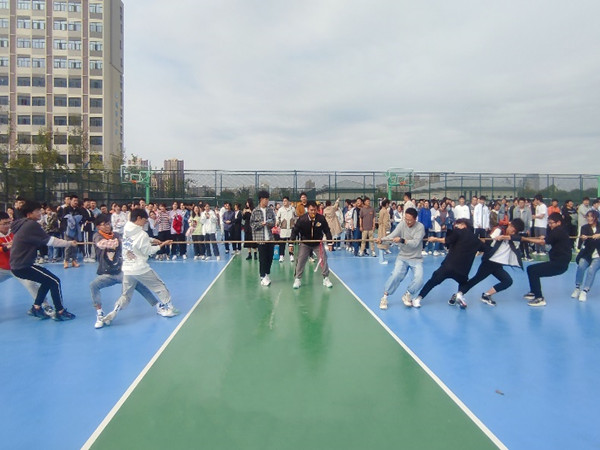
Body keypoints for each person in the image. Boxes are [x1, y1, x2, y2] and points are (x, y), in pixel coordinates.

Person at [102, 208, 178, 325]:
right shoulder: (142, 234)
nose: (145, 222)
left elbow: (136, 240)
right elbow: (148, 251)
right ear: (138, 218)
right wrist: (162, 244)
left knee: (126, 295)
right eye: (144, 219)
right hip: (140, 268)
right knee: (159, 286)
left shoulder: (127, 228)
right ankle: (169, 308)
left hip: (127, 269)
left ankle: (115, 310)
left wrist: (152, 240)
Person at [90, 214, 162, 329]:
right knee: (94, 285)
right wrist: (118, 242)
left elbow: (132, 240)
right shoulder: (97, 236)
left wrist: (152, 240)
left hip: (121, 271)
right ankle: (99, 313)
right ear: (98, 227)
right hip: (107, 274)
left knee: (138, 284)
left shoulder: (116, 235)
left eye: (108, 224)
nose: (108, 226)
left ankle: (158, 305)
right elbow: (102, 244)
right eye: (104, 224)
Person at [10, 201, 77, 320]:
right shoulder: (31, 225)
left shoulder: (22, 224)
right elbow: (50, 241)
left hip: (18, 265)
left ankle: (36, 308)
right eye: (37, 211)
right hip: (23, 265)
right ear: (29, 214)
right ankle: (60, 311)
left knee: (47, 281)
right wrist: (69, 243)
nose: (40, 213)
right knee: (55, 281)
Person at [411, 218, 485, 309]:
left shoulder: (459, 232)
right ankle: (459, 294)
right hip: (463, 271)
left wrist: (435, 239)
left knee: (432, 282)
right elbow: (485, 248)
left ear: (464, 225)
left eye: (458, 224)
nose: (456, 226)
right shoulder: (476, 240)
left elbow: (446, 240)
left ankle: (418, 299)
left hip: (448, 266)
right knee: (464, 283)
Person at [455, 218, 525, 307]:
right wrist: (493, 238)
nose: (513, 232)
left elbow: (516, 241)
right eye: (512, 230)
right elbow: (488, 240)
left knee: (507, 281)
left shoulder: (515, 238)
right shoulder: (499, 230)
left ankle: (486, 295)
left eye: (515, 231)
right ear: (510, 225)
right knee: (476, 279)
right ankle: (459, 294)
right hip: (490, 262)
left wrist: (505, 237)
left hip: (498, 264)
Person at [520, 212, 572, 306]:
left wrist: (525, 239)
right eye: (549, 223)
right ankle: (534, 292)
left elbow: (542, 242)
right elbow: (550, 239)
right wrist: (545, 237)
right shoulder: (561, 230)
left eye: (552, 223)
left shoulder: (557, 231)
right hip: (559, 262)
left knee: (533, 271)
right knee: (531, 269)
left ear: (558, 222)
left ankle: (539, 298)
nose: (550, 225)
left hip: (559, 264)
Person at [377, 208, 425, 309]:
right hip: (403, 257)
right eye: (406, 219)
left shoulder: (420, 227)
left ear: (415, 219)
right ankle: (384, 297)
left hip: (416, 258)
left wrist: (402, 240)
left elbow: (415, 243)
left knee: (419, 279)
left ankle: (408, 294)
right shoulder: (402, 224)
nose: (407, 221)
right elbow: (392, 236)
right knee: (395, 275)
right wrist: (382, 240)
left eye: (409, 220)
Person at [290, 201, 334, 289]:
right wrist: (291, 244)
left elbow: (327, 230)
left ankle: (325, 278)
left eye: (315, 210)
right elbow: (295, 231)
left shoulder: (321, 218)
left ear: (317, 210)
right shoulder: (302, 219)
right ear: (308, 210)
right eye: (311, 210)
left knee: (323, 259)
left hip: (318, 243)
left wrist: (329, 243)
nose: (313, 212)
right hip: (305, 243)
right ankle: (297, 279)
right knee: (301, 260)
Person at [572, 210, 600, 302]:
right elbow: (580, 243)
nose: (589, 218)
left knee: (591, 270)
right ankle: (577, 288)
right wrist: (583, 239)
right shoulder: (584, 227)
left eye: (591, 216)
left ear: (596, 218)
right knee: (581, 266)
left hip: (598, 256)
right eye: (588, 216)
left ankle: (584, 291)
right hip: (587, 254)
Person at [250, 191, 277, 286]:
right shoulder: (255, 211)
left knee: (270, 257)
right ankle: (262, 276)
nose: (267, 201)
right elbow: (252, 224)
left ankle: (266, 274)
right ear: (261, 199)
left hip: (270, 238)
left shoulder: (270, 210)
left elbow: (274, 222)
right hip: (260, 239)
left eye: (268, 199)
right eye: (266, 199)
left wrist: (268, 223)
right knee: (263, 258)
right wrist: (261, 224)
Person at [276, 197, 296, 262]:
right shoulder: (280, 209)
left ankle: (291, 255)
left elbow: (295, 216)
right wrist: (278, 223)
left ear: (288, 201)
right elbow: (277, 217)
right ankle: (281, 256)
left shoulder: (292, 209)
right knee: (282, 244)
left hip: (291, 229)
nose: (284, 202)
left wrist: (294, 223)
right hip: (283, 229)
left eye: (286, 201)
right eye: (283, 201)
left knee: (291, 243)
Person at [377, 199, 392, 264]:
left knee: (382, 244)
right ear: (386, 204)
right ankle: (381, 260)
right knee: (382, 244)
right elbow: (385, 222)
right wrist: (387, 229)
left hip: (381, 228)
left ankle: (382, 259)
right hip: (383, 229)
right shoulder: (385, 211)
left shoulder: (381, 211)